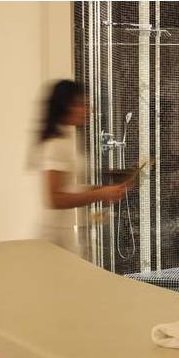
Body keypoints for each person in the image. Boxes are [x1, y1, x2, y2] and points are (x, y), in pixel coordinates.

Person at [34, 80, 128, 254]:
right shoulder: (55, 145)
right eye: (81, 104)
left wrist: (102, 190)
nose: (88, 110)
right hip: (53, 238)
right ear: (65, 106)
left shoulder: (66, 138)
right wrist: (100, 194)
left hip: (64, 232)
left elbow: (68, 186)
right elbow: (54, 198)